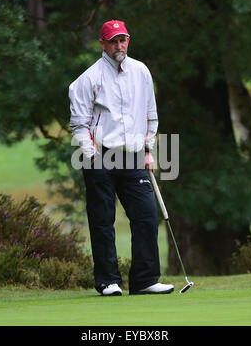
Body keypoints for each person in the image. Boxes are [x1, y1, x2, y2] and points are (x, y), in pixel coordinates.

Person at [69, 20, 174, 296]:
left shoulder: (141, 71)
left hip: (133, 157)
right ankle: (108, 281)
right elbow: (79, 124)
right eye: (113, 41)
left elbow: (151, 115)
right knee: (103, 220)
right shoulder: (88, 79)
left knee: (147, 217)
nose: (119, 45)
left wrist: (148, 150)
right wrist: (91, 155)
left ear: (128, 40)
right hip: (100, 156)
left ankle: (145, 280)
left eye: (123, 40)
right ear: (102, 44)